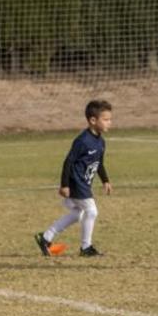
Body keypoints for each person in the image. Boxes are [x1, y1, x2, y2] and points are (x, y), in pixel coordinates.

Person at [34, 100, 113, 257]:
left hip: (84, 184)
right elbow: (68, 162)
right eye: (105, 119)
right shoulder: (82, 141)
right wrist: (64, 185)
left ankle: (45, 237)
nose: (109, 123)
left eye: (110, 119)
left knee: (77, 214)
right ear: (92, 120)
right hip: (77, 183)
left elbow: (99, 163)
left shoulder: (101, 142)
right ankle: (86, 248)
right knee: (91, 211)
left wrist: (105, 180)